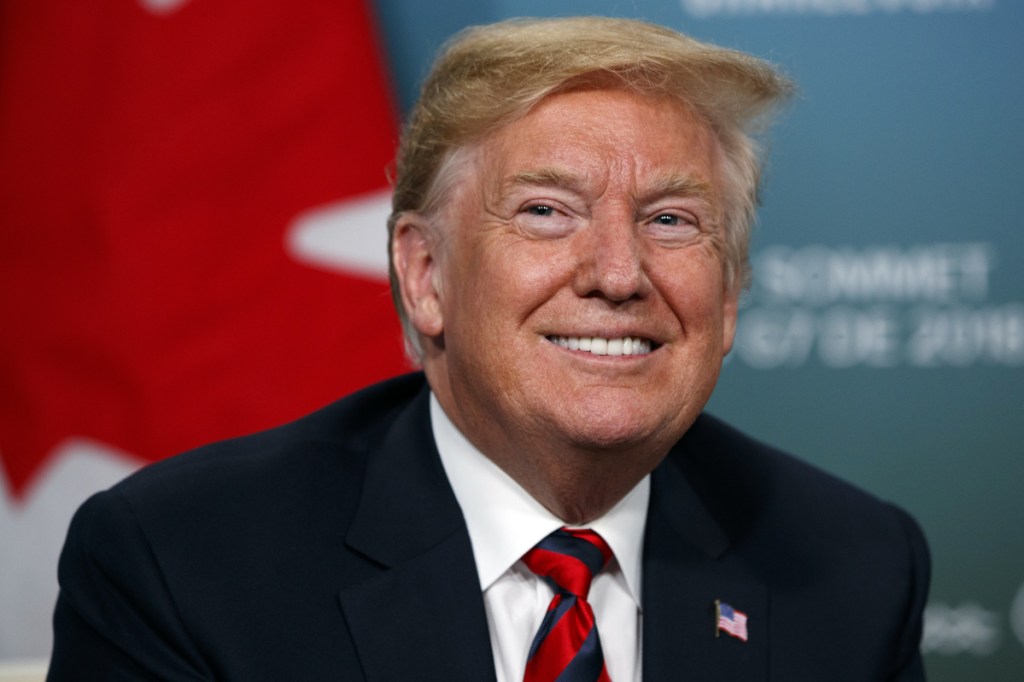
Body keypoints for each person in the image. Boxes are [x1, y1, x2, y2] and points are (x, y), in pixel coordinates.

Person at [48, 16, 929, 681]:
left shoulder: (853, 569)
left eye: (672, 221)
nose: (619, 274)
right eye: (547, 211)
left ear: (729, 297)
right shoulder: (183, 562)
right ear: (425, 275)